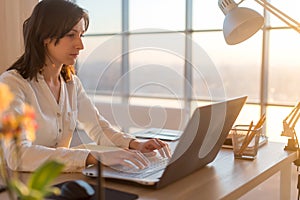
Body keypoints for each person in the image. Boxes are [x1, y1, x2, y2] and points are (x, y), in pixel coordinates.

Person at [0, 0, 170, 172]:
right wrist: (93, 157)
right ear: (46, 37)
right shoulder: (12, 84)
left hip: (60, 180)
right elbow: (18, 155)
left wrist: (135, 144)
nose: (80, 45)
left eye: (81, 35)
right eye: (71, 35)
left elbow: (98, 128)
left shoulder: (71, 83)